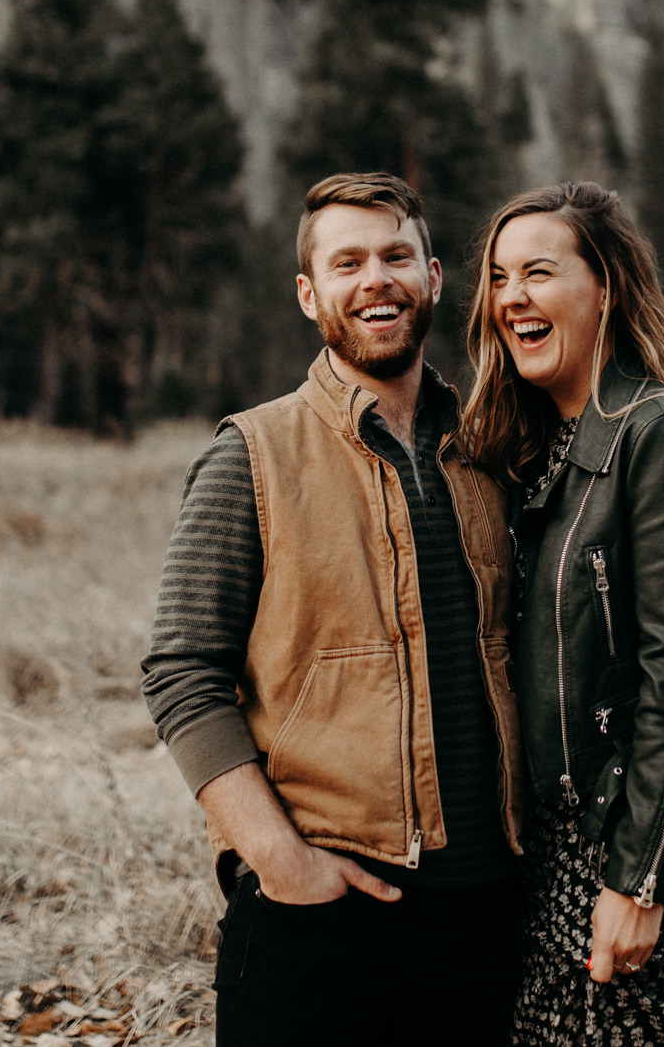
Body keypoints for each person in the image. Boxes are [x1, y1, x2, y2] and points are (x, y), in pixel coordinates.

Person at [140, 172, 525, 1047]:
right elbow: (180, 671)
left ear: (433, 277)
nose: (374, 279)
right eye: (346, 262)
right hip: (318, 916)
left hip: (486, 921)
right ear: (311, 294)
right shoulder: (253, 454)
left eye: (396, 255)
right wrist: (280, 861)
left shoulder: (493, 448)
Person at [460, 181, 664, 1047]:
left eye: (540, 272)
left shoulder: (662, 438)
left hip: (625, 846)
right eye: (501, 277)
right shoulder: (528, 451)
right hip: (540, 858)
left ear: (607, 289)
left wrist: (639, 882)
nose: (514, 297)